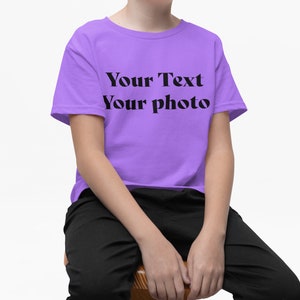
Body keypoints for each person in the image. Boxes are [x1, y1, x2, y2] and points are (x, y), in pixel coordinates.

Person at [51, 0, 300, 299]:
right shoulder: (89, 42)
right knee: (96, 286)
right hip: (107, 203)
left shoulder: (207, 45)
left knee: (281, 289)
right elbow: (90, 156)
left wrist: (213, 235)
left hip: (189, 203)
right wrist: (151, 241)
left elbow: (219, 151)